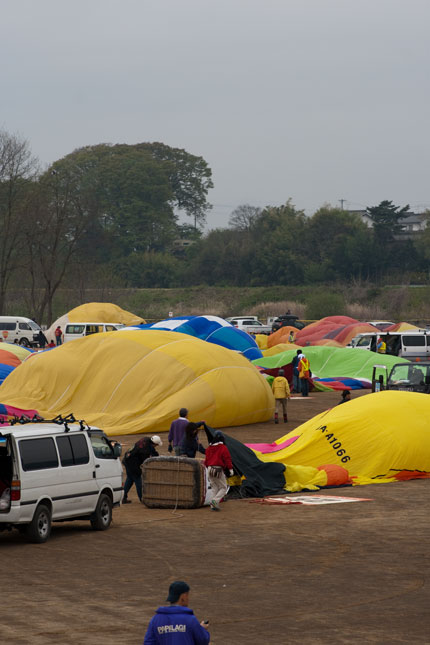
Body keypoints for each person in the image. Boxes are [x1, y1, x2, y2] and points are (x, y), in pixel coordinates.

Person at [144, 581, 210, 644]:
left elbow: (148, 642)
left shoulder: (156, 620)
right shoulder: (190, 620)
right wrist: (202, 629)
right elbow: (203, 640)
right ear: (183, 597)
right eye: (187, 595)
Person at [122, 435, 162, 503]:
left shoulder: (146, 439)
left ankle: (123, 497)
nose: (156, 446)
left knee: (130, 479)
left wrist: (157, 455)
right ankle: (142, 498)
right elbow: (145, 462)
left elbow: (152, 450)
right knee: (138, 480)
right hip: (132, 464)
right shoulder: (145, 450)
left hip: (127, 459)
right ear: (154, 444)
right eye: (157, 445)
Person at [204, 431, 234, 512]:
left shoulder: (209, 448)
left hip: (209, 468)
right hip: (218, 469)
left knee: (215, 487)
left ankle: (213, 504)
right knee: (223, 487)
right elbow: (227, 459)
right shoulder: (223, 447)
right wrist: (230, 469)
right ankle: (215, 501)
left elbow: (206, 461)